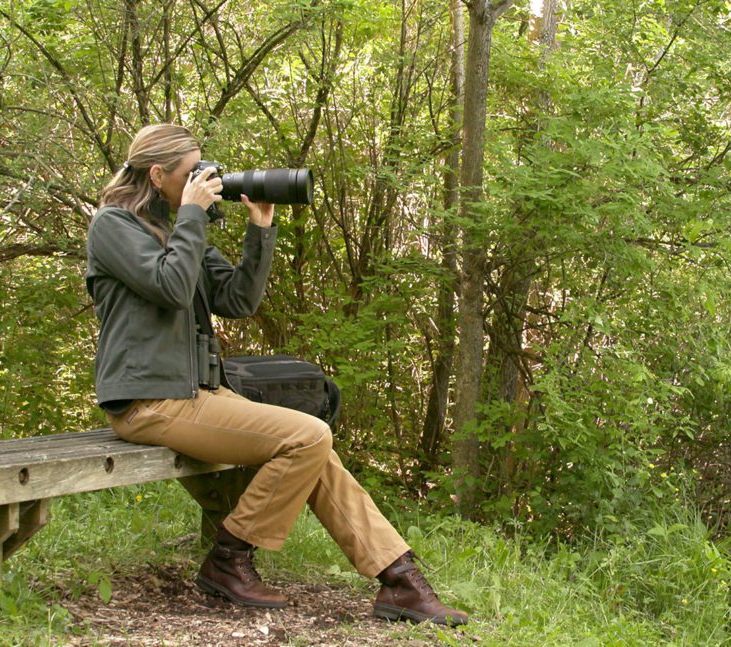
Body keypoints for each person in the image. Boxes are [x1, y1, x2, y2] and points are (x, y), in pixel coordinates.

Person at [85, 124, 468, 626]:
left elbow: (237, 299)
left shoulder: (180, 227)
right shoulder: (113, 226)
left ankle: (399, 580)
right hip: (148, 401)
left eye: (204, 168)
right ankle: (229, 557)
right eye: (191, 173)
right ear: (157, 175)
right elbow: (172, 287)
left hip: (197, 395)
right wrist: (193, 217)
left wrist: (259, 229)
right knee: (310, 436)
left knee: (316, 449)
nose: (204, 180)